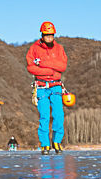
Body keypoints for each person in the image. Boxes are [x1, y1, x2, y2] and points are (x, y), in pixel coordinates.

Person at [26, 21, 69, 153]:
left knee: (58, 115)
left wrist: (44, 63)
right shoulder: (34, 49)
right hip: (41, 87)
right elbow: (30, 67)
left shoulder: (59, 49)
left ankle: (56, 142)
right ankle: (45, 143)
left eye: (51, 35)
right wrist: (49, 71)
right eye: (47, 35)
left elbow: (62, 67)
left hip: (56, 86)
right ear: (42, 35)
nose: (49, 37)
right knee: (44, 116)